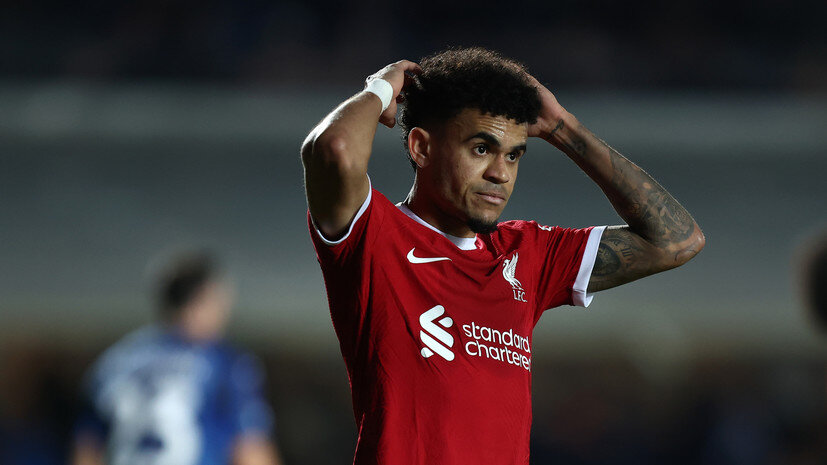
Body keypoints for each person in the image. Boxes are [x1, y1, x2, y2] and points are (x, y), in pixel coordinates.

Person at [301, 47, 705, 464]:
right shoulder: (374, 236)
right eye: (481, 149)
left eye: (513, 155)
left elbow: (676, 241)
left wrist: (563, 128)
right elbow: (333, 148)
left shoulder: (528, 254)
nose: (501, 173)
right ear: (421, 147)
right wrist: (380, 89)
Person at [71, 251, 282, 465]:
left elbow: (86, 449)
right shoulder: (222, 361)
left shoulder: (114, 362)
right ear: (204, 298)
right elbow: (250, 449)